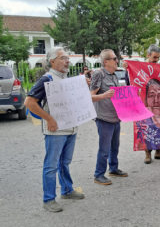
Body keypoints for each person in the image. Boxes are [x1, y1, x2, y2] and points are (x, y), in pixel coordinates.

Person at [24, 47, 84, 213]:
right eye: (63, 58)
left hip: (70, 129)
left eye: (68, 57)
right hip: (56, 131)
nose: (67, 61)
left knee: (65, 162)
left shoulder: (66, 78)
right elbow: (29, 103)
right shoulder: (47, 79)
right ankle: (48, 199)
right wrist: (49, 119)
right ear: (52, 61)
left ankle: (67, 190)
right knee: (51, 165)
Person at [123, 44, 160, 164]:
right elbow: (131, 81)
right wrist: (127, 70)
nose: (156, 60)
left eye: (158, 58)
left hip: (158, 103)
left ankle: (159, 151)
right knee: (147, 128)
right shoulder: (139, 67)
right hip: (145, 103)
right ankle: (147, 153)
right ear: (148, 55)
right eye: (154, 57)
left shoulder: (159, 67)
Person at [90, 49, 128, 186]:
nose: (117, 60)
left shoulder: (114, 75)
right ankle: (98, 174)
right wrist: (104, 96)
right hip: (104, 117)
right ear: (106, 61)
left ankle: (113, 168)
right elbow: (90, 96)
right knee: (104, 148)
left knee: (115, 146)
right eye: (114, 58)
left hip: (115, 117)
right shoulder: (98, 74)